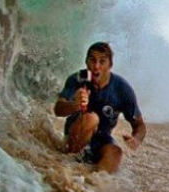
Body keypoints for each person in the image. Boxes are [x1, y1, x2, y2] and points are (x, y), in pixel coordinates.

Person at [54, 42, 146, 173]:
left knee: (116, 152)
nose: (96, 66)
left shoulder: (122, 89)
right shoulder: (78, 79)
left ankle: (92, 186)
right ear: (86, 62)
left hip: (101, 139)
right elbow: (58, 109)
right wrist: (75, 105)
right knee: (92, 118)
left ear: (110, 65)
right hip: (76, 134)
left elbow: (139, 125)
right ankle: (66, 167)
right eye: (92, 60)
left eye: (102, 61)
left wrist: (136, 139)